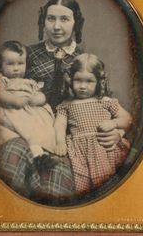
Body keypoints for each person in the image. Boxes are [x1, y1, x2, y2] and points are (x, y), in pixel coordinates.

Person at [0, 0, 127, 205]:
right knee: (11, 162)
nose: (56, 26)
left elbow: (106, 103)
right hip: (21, 127)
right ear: (43, 21)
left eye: (64, 19)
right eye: (51, 19)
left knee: (52, 181)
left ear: (76, 22)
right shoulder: (26, 55)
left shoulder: (84, 60)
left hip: (64, 139)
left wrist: (118, 131)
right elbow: (1, 88)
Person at [54, 53, 132, 195]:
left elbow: (127, 118)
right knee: (84, 189)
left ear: (99, 82)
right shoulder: (66, 105)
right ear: (71, 80)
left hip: (104, 148)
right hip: (80, 150)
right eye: (78, 80)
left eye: (89, 81)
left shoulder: (105, 101)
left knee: (109, 186)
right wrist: (60, 142)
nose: (83, 86)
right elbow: (59, 125)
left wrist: (113, 123)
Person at [0, 40, 58, 170]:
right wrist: (14, 100)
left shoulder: (30, 82)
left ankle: (43, 151)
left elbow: (41, 96)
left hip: (31, 111)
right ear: (0, 65)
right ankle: (36, 153)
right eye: (10, 64)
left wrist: (36, 99)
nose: (16, 68)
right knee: (21, 125)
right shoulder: (1, 79)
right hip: (13, 109)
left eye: (20, 63)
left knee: (44, 125)